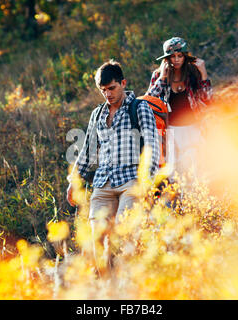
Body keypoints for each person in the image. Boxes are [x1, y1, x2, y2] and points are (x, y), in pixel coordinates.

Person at [66, 60, 160, 270]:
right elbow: (87, 151)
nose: (108, 94)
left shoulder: (139, 108)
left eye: (112, 88)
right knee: (99, 242)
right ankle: (107, 291)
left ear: (123, 83)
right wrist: (74, 182)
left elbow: (153, 146)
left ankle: (129, 287)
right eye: (103, 90)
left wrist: (148, 182)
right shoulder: (97, 114)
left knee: (124, 234)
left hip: (132, 182)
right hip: (103, 184)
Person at [146, 37, 213, 178]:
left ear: (185, 57)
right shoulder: (158, 75)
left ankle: (195, 199)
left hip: (193, 127)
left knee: (194, 171)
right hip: (170, 130)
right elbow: (149, 101)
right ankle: (177, 200)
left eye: (180, 56)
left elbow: (208, 100)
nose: (176, 59)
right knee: (173, 172)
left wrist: (203, 73)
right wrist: (162, 79)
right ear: (167, 59)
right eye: (172, 56)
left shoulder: (193, 73)